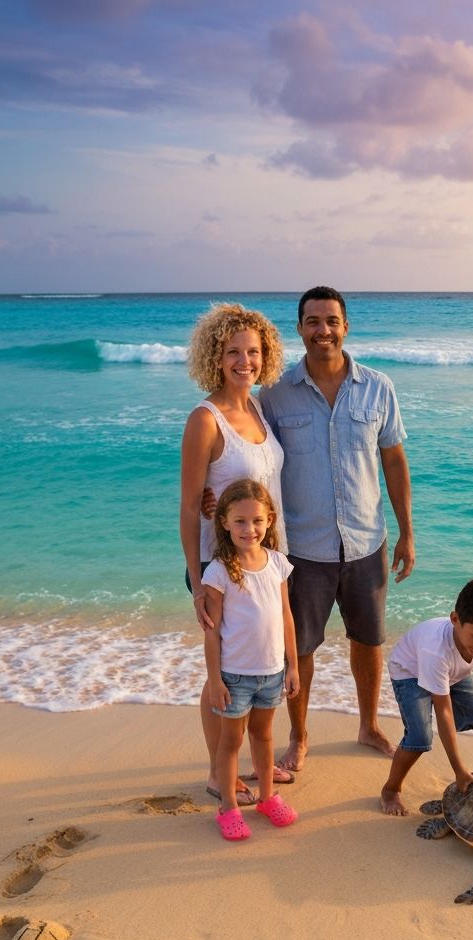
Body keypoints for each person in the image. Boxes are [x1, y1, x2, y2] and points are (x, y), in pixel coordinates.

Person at [258, 285, 415, 771]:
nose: (322, 331)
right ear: (300, 329)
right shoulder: (275, 395)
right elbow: (257, 463)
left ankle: (368, 725)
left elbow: (393, 460)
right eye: (312, 321)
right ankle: (299, 737)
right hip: (302, 549)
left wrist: (408, 531)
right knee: (299, 649)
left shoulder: (378, 387)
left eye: (331, 321)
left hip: (367, 541)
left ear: (345, 326)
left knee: (368, 643)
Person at [180, 303, 293, 804]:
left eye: (253, 351)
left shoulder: (257, 409)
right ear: (216, 357)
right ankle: (215, 773)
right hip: (217, 565)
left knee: (249, 659)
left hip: (263, 558)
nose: (244, 360)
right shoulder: (206, 419)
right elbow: (188, 507)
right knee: (223, 667)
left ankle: (251, 765)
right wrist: (195, 577)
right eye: (233, 352)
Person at [202, 479, 299, 840]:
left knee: (264, 735)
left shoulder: (277, 563)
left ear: (270, 520)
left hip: (272, 672)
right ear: (224, 522)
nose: (249, 529)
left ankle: (267, 798)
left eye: (257, 520)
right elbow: (211, 630)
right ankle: (227, 806)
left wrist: (292, 665)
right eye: (240, 521)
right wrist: (215, 680)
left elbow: (286, 616)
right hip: (235, 675)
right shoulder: (219, 571)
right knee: (231, 742)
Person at [380, 578, 473, 816]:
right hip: (410, 671)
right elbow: (444, 710)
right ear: (455, 620)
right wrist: (459, 770)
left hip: (452, 674)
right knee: (420, 736)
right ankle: (390, 789)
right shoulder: (435, 649)